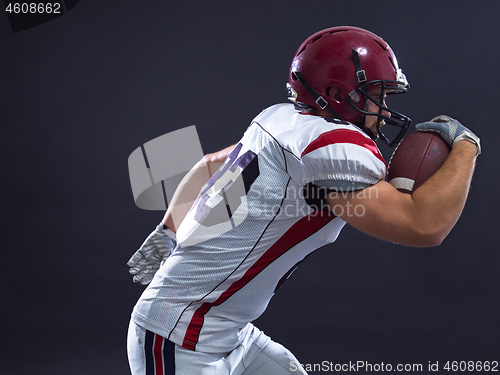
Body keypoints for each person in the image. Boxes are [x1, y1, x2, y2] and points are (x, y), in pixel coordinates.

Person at [126, 26, 480, 375]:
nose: (385, 111)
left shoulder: (280, 118)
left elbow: (208, 164)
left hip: (227, 332)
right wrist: (466, 147)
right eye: (377, 95)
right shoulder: (329, 148)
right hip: (178, 335)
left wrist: (167, 232)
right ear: (339, 93)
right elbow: (423, 226)